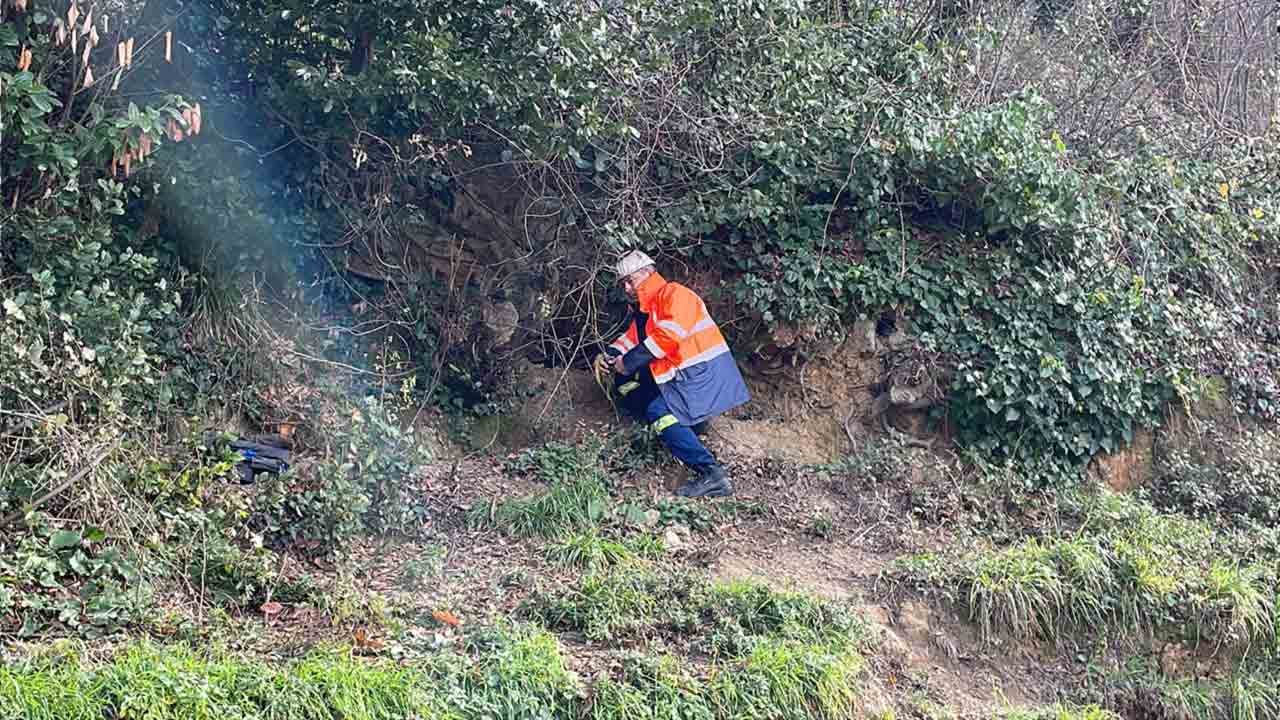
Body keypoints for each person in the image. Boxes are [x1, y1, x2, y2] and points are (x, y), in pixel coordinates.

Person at [594, 250, 750, 498]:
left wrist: (629, 362)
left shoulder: (676, 295)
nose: (626, 289)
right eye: (623, 283)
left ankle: (710, 473)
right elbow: (632, 338)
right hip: (685, 377)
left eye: (629, 281)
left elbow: (667, 337)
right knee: (628, 387)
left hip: (701, 375)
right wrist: (610, 355)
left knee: (658, 411)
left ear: (646, 274)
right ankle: (687, 428)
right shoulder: (649, 309)